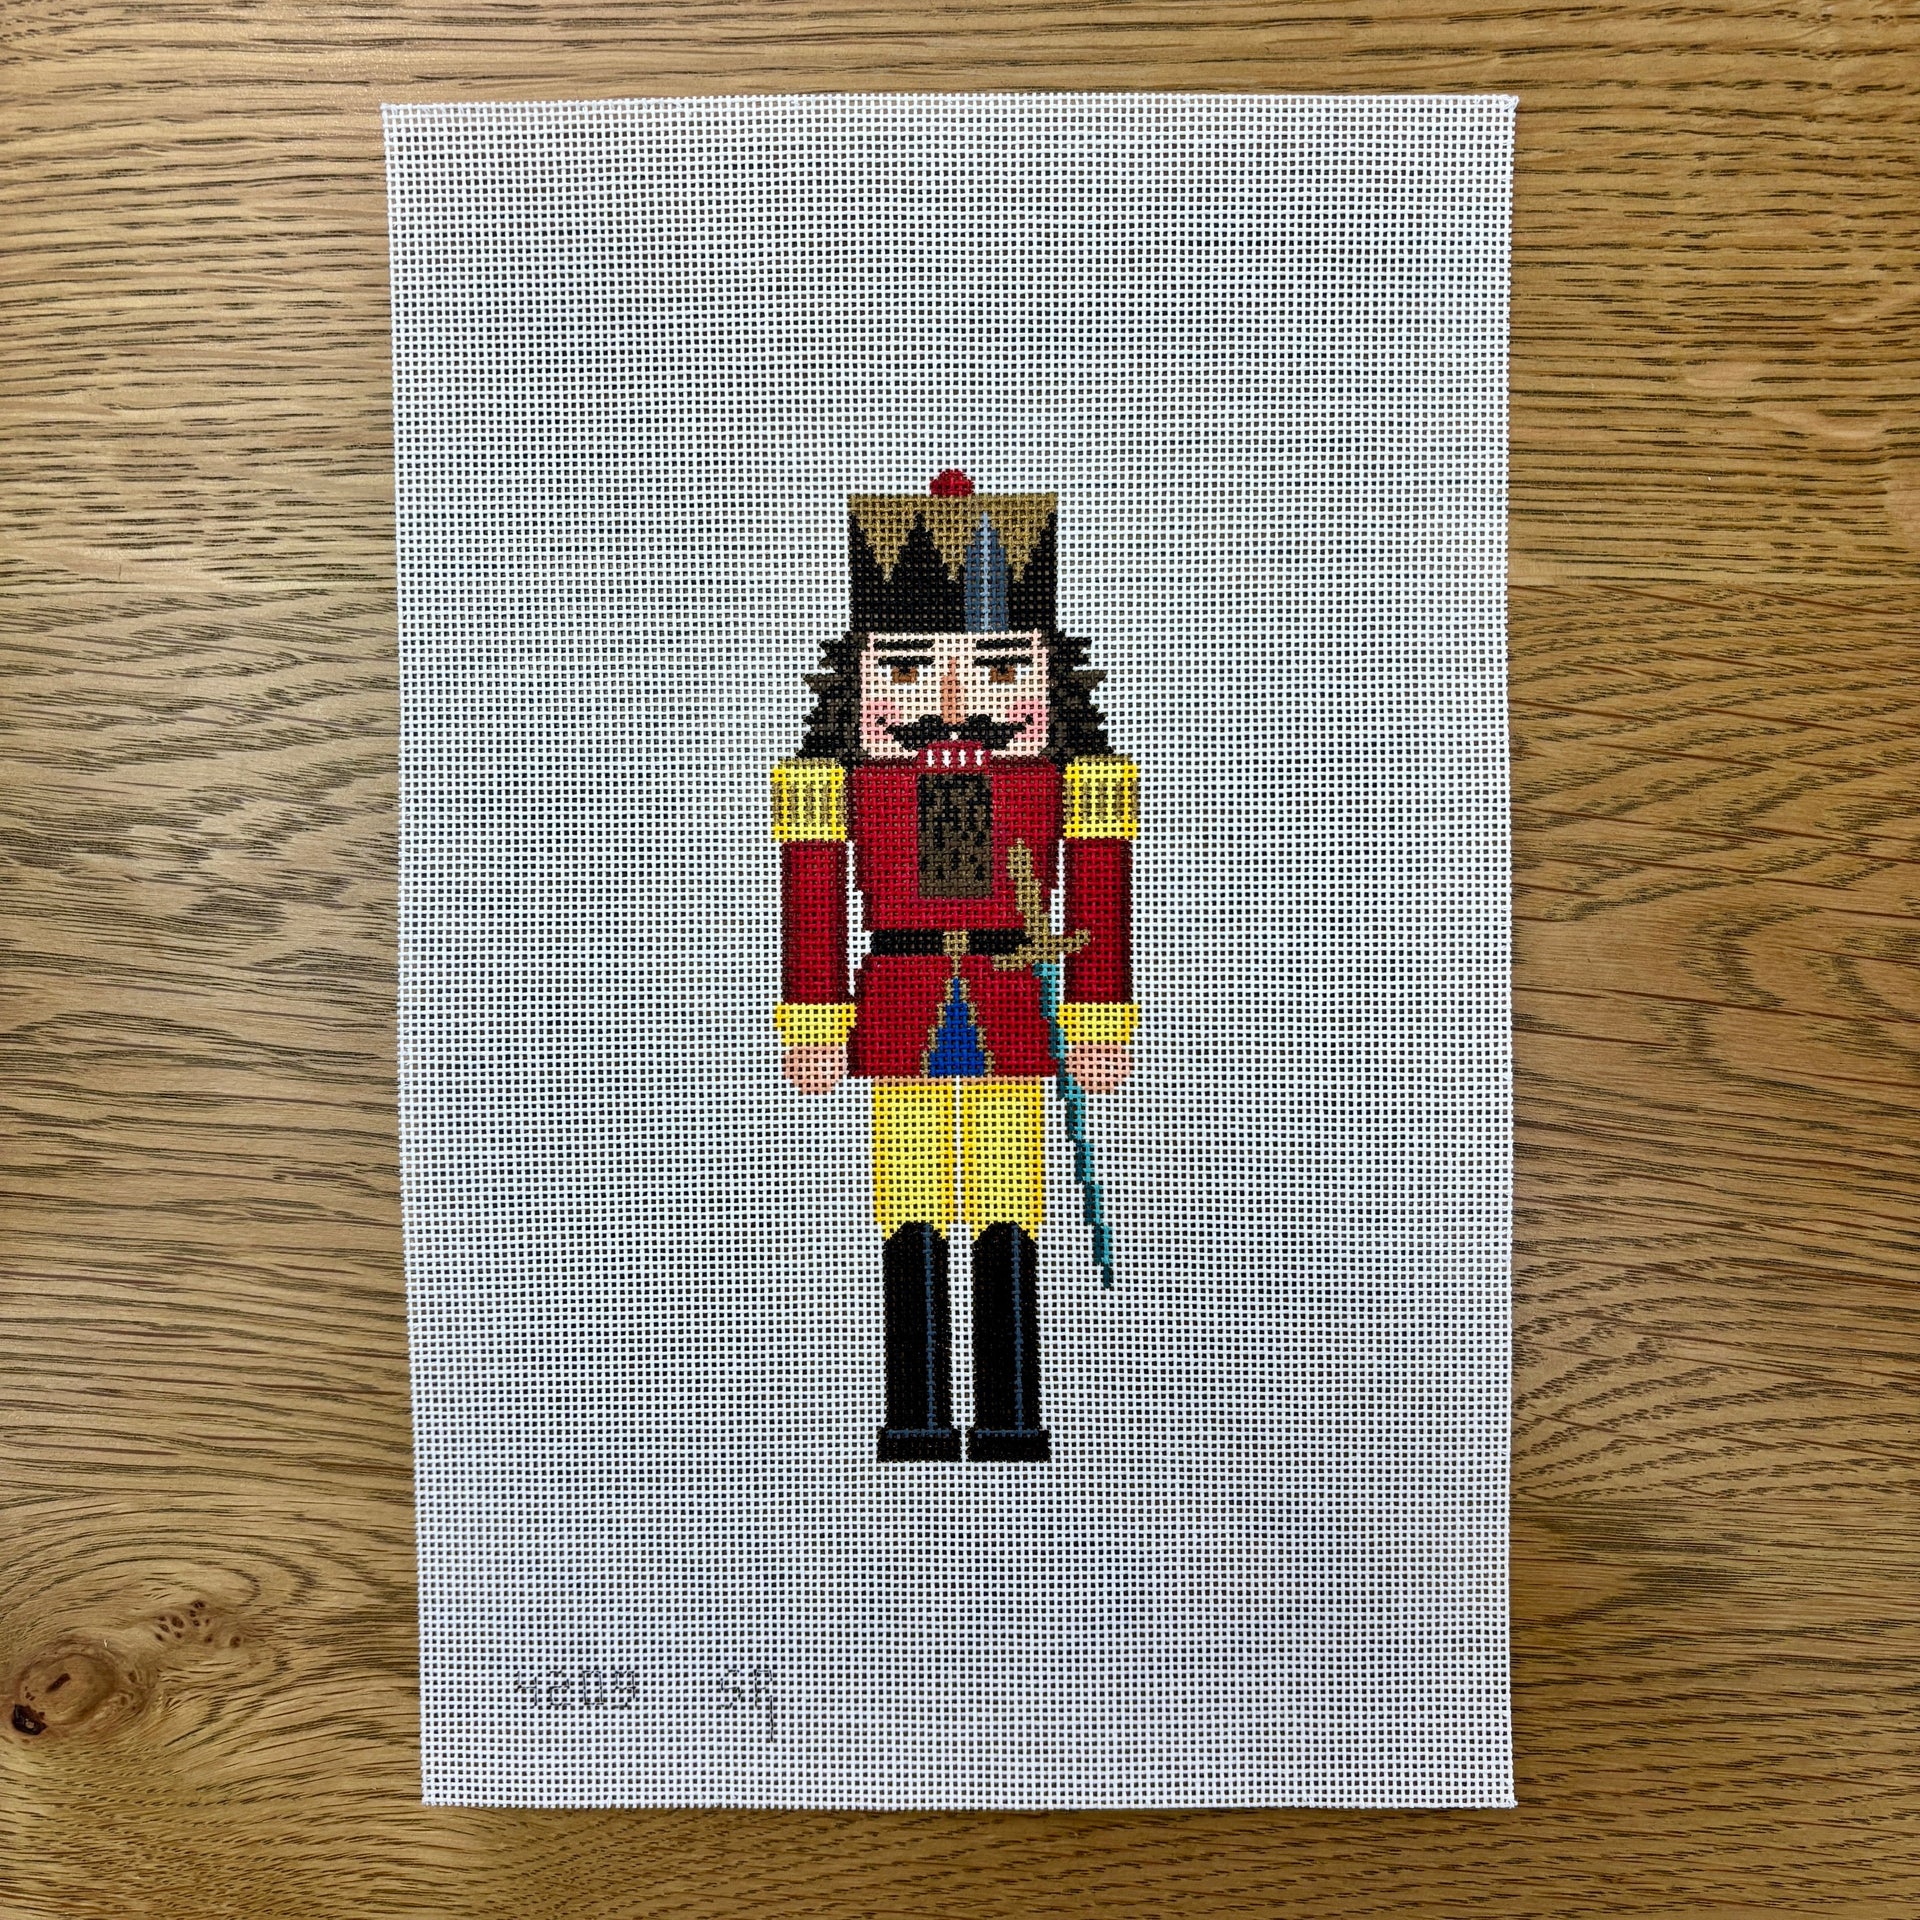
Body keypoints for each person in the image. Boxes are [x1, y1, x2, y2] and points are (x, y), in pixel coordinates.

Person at [773, 470, 1137, 1462]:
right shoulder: (840, 787)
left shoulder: (1070, 785)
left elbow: (1098, 902)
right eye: (904, 670)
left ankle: (1012, 1412)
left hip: (1016, 999)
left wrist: (1099, 1020)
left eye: (997, 669)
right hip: (900, 1000)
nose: (949, 700)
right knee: (911, 1200)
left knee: (1011, 1198)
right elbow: (813, 906)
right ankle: (918, 1412)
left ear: (1049, 676)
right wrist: (817, 1021)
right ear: (856, 681)